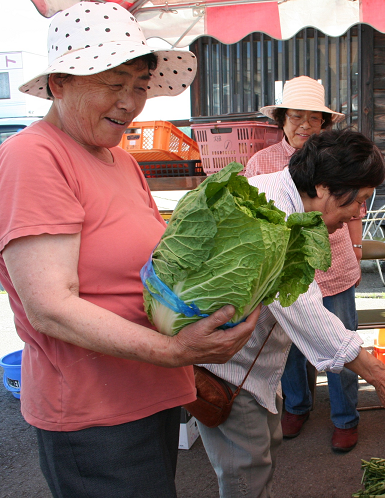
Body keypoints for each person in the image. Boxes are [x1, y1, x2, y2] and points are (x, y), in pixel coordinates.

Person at [0, 3, 259, 497]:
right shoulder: (33, 157)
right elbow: (50, 307)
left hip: (152, 390)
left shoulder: (120, 159)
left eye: (139, 85)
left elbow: (151, 268)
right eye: (112, 83)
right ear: (59, 83)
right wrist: (174, 348)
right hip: (93, 413)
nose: (130, 102)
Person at [199, 129, 385, 497]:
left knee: (262, 455)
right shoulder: (269, 212)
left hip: (251, 368)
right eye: (360, 199)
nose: (360, 212)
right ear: (323, 187)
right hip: (226, 371)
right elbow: (301, 304)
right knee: (246, 473)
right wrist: (380, 375)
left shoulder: (285, 199)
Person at [245, 76, 365, 452]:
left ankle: (346, 418)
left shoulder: (336, 159)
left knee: (342, 342)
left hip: (335, 266)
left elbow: (355, 206)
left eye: (315, 119)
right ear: (281, 119)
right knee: (290, 344)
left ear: (324, 124)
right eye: (296, 117)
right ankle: (297, 406)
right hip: (285, 271)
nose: (305, 126)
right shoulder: (261, 163)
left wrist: (358, 246)